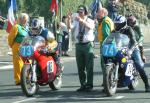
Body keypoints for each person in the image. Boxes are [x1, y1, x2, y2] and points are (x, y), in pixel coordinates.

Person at [113, 15, 150, 92]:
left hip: (132, 49)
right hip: (121, 49)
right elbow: (111, 40)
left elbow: (134, 42)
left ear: (123, 23)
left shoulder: (129, 29)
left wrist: (130, 50)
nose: (116, 25)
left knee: (139, 65)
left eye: (118, 23)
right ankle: (108, 82)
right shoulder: (114, 31)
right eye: (115, 23)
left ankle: (147, 84)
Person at [67, 5, 95, 92]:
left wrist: (82, 21)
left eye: (81, 11)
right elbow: (69, 28)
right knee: (80, 67)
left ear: (85, 12)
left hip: (88, 45)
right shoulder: (76, 21)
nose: (79, 13)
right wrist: (68, 19)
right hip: (79, 45)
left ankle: (89, 85)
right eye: (78, 11)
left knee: (89, 66)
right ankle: (83, 84)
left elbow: (90, 27)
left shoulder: (90, 20)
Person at [8, 13, 29, 85]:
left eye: (26, 19)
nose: (26, 21)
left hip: (26, 47)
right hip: (18, 46)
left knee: (27, 63)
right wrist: (13, 46)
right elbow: (10, 38)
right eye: (25, 19)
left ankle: (26, 77)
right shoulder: (16, 27)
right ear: (20, 19)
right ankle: (18, 79)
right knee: (18, 63)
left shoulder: (26, 28)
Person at [96, 7, 114, 86]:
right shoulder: (107, 19)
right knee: (108, 63)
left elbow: (106, 35)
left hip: (106, 45)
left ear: (103, 13)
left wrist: (103, 46)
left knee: (104, 63)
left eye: (99, 12)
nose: (97, 13)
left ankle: (106, 82)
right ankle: (107, 81)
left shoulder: (105, 21)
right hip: (109, 44)